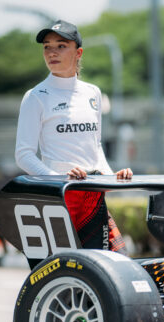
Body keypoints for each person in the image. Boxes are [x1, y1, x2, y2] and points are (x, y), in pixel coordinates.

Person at [15, 19, 130, 252]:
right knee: (66, 268)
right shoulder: (35, 96)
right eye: (47, 47)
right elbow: (23, 155)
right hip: (60, 199)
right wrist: (59, 179)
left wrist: (112, 176)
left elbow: (95, 146)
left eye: (61, 46)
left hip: (93, 196)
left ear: (78, 53)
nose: (52, 52)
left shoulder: (93, 93)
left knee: (115, 263)